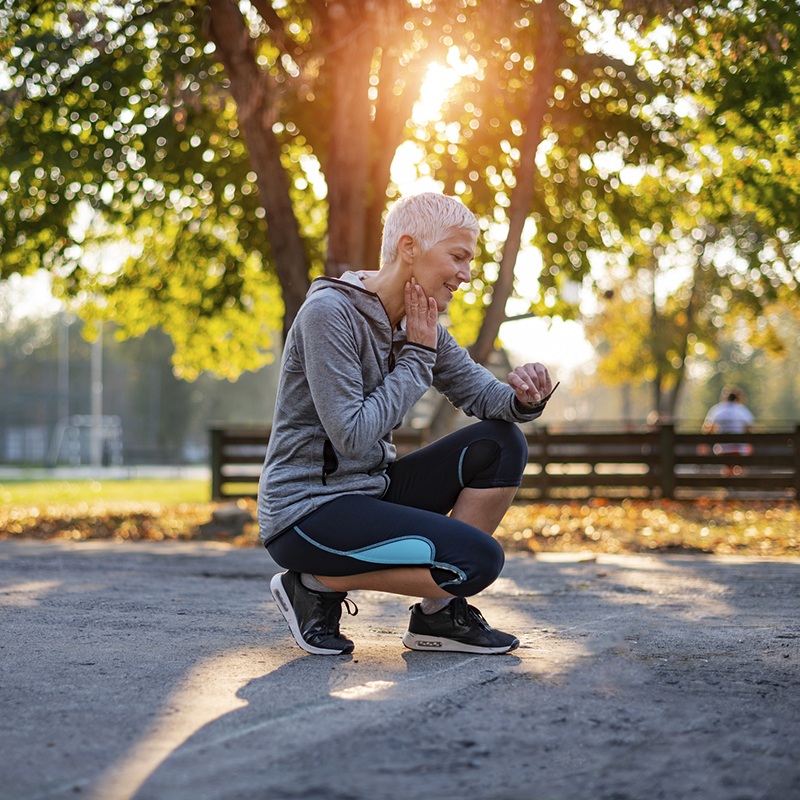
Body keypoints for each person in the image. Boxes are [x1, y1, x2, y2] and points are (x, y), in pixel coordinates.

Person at [258, 192, 555, 656]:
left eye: (469, 261)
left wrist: (525, 397)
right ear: (410, 248)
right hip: (306, 512)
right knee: (477, 563)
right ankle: (312, 584)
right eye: (457, 257)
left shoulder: (420, 324)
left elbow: (483, 395)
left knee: (502, 443)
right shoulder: (328, 314)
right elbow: (352, 437)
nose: (466, 273)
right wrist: (417, 356)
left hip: (368, 493)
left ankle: (437, 618)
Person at [701, 386, 754, 460]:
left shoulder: (717, 410)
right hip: (739, 450)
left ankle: (727, 471)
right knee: (744, 452)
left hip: (721, 450)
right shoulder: (742, 409)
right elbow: (749, 429)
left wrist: (705, 443)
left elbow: (708, 429)